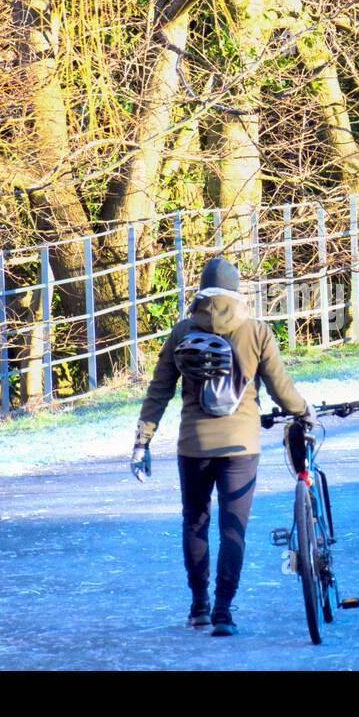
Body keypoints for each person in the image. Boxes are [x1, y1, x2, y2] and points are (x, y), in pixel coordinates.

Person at [130, 256, 314, 636]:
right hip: (241, 445)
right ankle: (224, 612)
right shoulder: (257, 332)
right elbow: (281, 390)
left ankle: (198, 607)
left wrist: (142, 440)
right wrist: (303, 412)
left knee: (195, 522)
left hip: (193, 445)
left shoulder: (182, 332)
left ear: (201, 291)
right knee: (234, 527)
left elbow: (159, 391)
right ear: (236, 291)